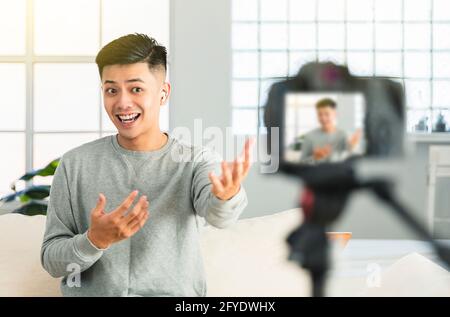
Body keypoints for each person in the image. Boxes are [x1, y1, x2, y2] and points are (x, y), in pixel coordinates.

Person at [41, 33, 254, 296]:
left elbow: (219, 216)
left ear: (163, 93)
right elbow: (52, 261)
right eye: (111, 90)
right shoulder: (75, 165)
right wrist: (95, 240)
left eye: (136, 89)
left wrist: (227, 196)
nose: (122, 102)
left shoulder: (195, 161)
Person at [300, 98, 361, 164]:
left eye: (327, 114)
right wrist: (315, 157)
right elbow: (301, 163)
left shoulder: (343, 134)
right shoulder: (309, 136)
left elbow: (352, 159)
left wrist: (353, 146)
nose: (323, 118)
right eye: (319, 114)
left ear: (335, 114)